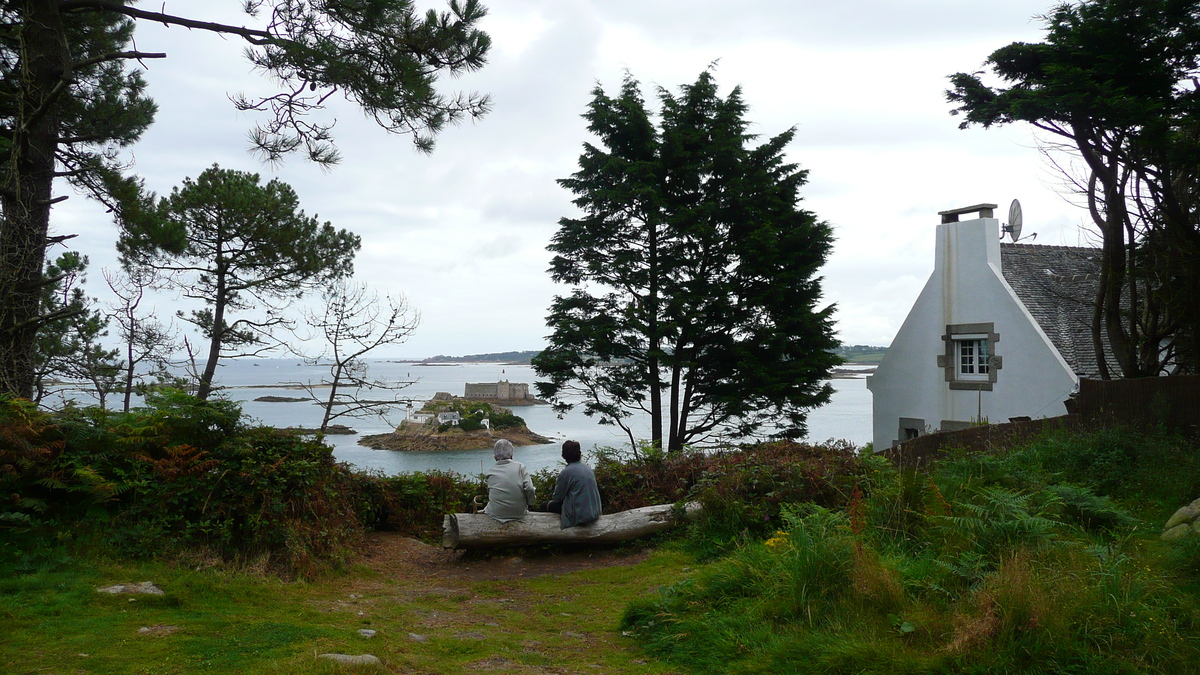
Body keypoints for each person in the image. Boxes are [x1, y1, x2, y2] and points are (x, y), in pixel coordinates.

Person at [544, 440, 602, 528]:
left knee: (545, 505)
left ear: (564, 455)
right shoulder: (587, 469)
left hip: (579, 514)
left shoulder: (566, 472)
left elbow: (557, 498)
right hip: (594, 511)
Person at [483, 439, 536, 522]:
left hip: (496, 514)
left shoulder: (490, 472)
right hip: (518, 513)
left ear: (495, 458)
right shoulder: (520, 467)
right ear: (512, 456)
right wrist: (531, 503)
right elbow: (530, 488)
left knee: (487, 508)